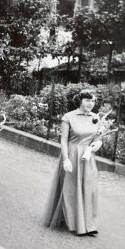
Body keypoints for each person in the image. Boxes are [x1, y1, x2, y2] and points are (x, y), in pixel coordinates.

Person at [44, 90, 103, 236]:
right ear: (80, 101)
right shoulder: (68, 117)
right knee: (70, 189)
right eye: (88, 100)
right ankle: (72, 222)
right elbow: (64, 140)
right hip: (72, 154)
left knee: (89, 189)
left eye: (93, 101)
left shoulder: (95, 118)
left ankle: (88, 225)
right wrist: (65, 159)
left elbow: (95, 139)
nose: (91, 104)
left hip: (88, 158)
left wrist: (97, 143)